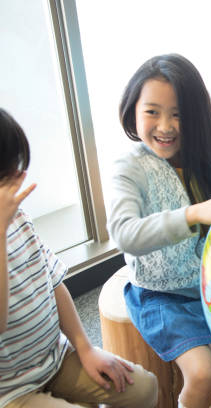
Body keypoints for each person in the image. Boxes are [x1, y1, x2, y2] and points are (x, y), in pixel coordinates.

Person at [108, 54, 211, 408]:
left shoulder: (200, 155)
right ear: (132, 110)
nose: (166, 126)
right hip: (159, 295)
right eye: (152, 111)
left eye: (178, 114)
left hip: (207, 283)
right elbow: (123, 233)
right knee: (204, 374)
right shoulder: (129, 167)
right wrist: (191, 214)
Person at [0, 108, 158, 407]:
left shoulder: (18, 218)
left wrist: (85, 348)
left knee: (142, 387)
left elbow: (53, 283)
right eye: (7, 176)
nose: (18, 180)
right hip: (10, 391)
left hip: (57, 358)